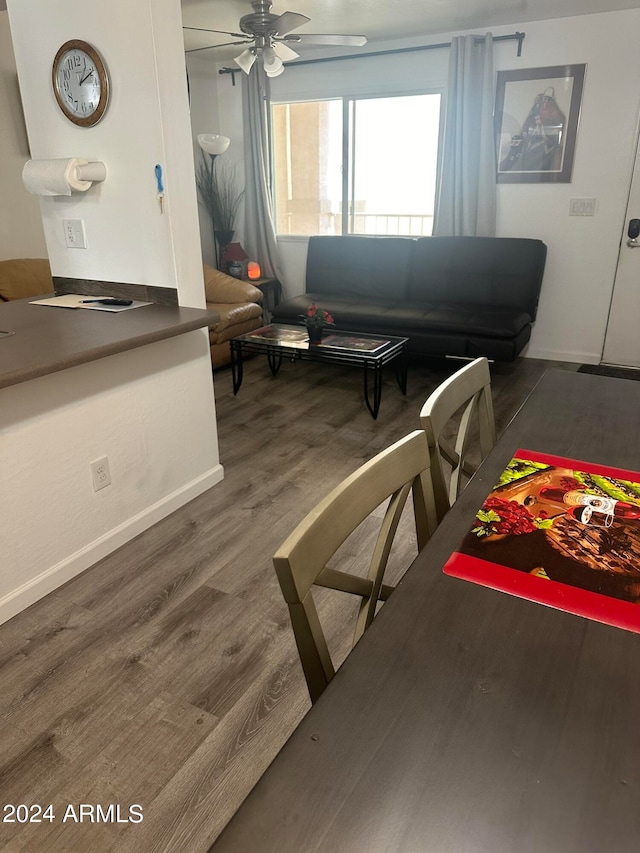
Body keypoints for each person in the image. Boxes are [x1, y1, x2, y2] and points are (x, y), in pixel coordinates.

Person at [500, 87, 566, 172]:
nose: (543, 107)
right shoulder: (532, 119)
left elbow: (557, 129)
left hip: (543, 166)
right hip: (526, 164)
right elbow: (524, 134)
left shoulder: (555, 120)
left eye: (546, 103)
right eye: (542, 104)